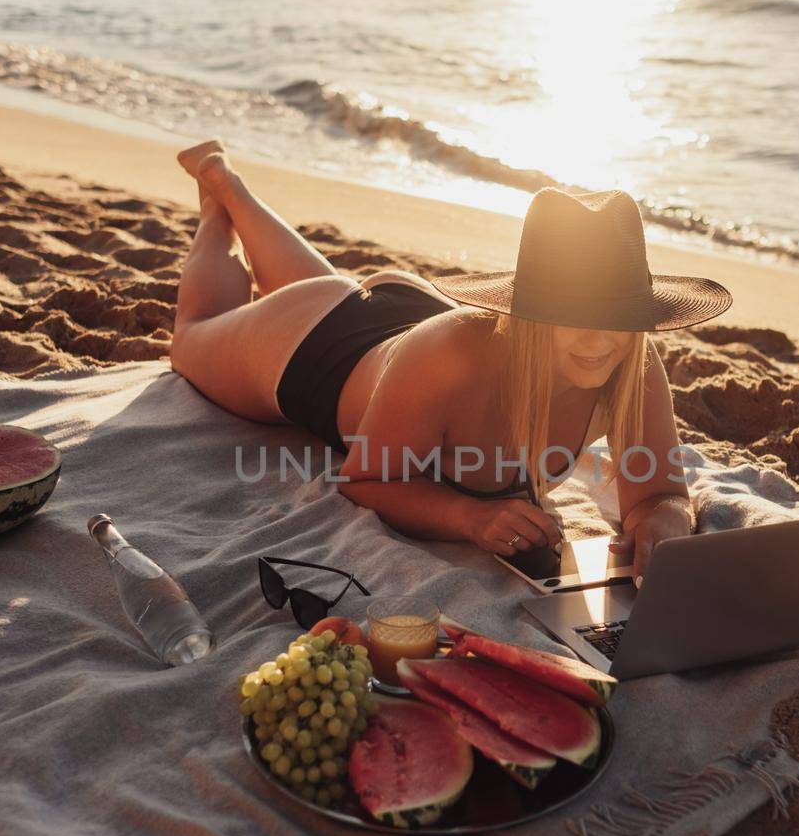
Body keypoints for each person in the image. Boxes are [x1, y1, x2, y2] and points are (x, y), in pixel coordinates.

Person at [169, 142, 732, 578]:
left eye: (618, 317)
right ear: (534, 313)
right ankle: (219, 204)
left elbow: (658, 493)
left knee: (332, 287)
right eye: (574, 314)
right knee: (192, 339)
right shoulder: (454, 356)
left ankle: (235, 192)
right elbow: (366, 480)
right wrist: (470, 517)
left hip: (409, 334)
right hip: (317, 349)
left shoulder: (631, 359)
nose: (599, 338)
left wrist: (661, 521)